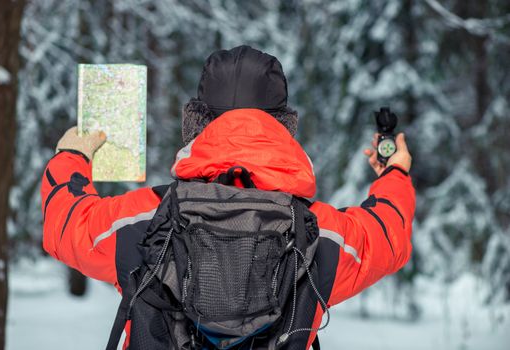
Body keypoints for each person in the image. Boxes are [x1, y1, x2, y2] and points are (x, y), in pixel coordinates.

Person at [41, 45, 415, 349]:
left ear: (198, 126)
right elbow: (385, 236)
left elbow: (69, 226)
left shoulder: (147, 219)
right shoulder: (319, 233)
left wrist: (71, 156)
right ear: (282, 128)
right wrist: (393, 174)